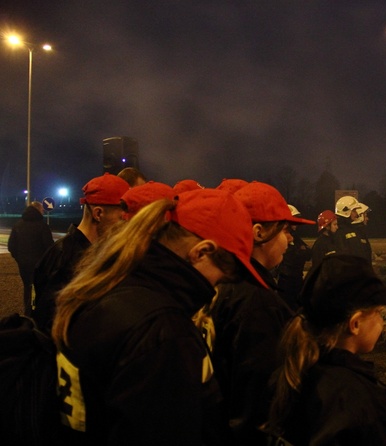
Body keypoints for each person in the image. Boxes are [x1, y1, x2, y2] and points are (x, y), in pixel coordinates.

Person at [52, 189, 257, 445]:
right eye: (223, 278)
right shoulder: (163, 330)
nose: (216, 290)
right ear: (201, 252)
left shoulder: (110, 283)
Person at [201, 181, 314, 445]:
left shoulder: (222, 282)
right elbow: (255, 405)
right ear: (259, 232)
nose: (290, 239)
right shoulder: (256, 304)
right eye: (285, 230)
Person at [264, 254, 386, 445]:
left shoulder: (289, 373)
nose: (381, 321)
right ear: (355, 323)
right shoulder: (361, 400)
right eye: (378, 312)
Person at [33, 173, 130, 333]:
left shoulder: (92, 250)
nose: (125, 225)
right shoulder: (64, 258)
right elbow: (49, 323)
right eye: (121, 218)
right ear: (98, 214)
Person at [8, 201, 54, 315]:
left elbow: (11, 246)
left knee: (27, 287)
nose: (43, 212)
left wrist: (18, 258)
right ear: (38, 210)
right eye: (42, 210)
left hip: (23, 264)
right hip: (39, 264)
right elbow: (49, 247)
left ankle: (28, 311)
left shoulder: (18, 225)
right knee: (39, 287)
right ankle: (36, 312)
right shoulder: (42, 226)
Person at [275, 205, 312, 310]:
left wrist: (300, 251)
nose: (296, 223)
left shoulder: (295, 237)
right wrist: (299, 251)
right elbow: (291, 256)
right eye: (294, 220)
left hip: (297, 279)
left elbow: (309, 253)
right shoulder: (280, 237)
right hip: (286, 282)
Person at [334, 195, 372, 263]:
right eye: (354, 210)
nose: (356, 214)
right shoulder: (339, 232)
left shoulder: (350, 229)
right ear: (346, 211)